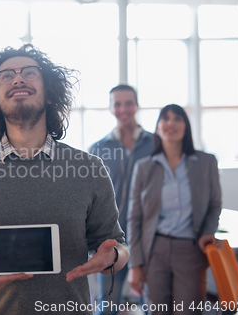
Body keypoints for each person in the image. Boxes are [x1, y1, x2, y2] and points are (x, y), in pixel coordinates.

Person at [0, 44, 129, 315]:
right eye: (6, 75)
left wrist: (112, 257)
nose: (18, 78)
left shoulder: (89, 167)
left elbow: (117, 245)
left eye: (30, 73)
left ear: (49, 95)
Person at [127, 104, 222, 315]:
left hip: (190, 250)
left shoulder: (206, 162)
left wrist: (208, 231)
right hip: (154, 251)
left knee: (189, 311)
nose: (171, 123)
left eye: (177, 118)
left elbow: (215, 204)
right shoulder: (144, 167)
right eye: (165, 118)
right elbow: (134, 219)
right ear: (158, 127)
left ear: (186, 127)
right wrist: (135, 264)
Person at [88, 84, 153, 314]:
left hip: (149, 242)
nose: (123, 109)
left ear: (136, 105)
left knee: (153, 307)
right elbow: (90, 199)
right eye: (117, 103)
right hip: (111, 242)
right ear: (111, 108)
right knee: (107, 306)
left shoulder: (156, 145)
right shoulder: (98, 149)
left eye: (128, 103)